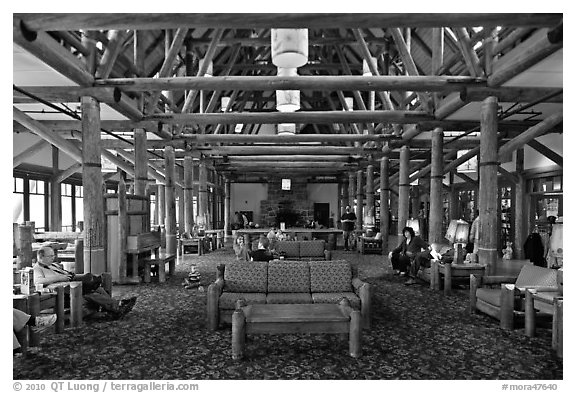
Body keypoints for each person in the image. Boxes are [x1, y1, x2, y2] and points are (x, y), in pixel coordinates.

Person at [33, 246, 136, 319]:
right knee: (91, 294)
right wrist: (60, 278)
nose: (53, 258)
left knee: (96, 287)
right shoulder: (37, 268)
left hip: (71, 286)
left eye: (53, 255)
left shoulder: (53, 265)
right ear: (41, 257)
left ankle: (112, 308)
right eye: (50, 256)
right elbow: (38, 281)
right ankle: (116, 307)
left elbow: (69, 275)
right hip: (63, 294)